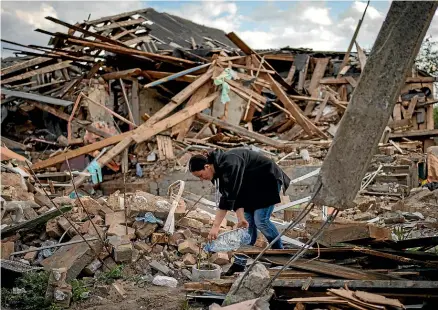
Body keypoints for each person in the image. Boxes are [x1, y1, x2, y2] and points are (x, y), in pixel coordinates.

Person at [188, 148, 290, 249]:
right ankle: (241, 261)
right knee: (247, 224)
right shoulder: (216, 174)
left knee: (261, 220)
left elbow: (227, 198)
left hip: (267, 179)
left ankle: (278, 250)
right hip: (251, 186)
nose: (201, 179)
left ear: (207, 166)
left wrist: (215, 227)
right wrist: (241, 218)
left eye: (200, 175)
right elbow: (233, 195)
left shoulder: (230, 163)